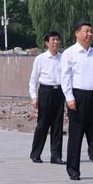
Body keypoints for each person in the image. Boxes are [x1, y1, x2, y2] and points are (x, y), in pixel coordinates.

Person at [60, 21, 93, 181]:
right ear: (77, 33)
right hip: (78, 97)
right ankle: (73, 170)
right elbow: (65, 77)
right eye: (86, 31)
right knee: (76, 136)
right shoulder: (69, 53)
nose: (89, 34)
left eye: (91, 31)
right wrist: (69, 98)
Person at [28, 31, 65, 164]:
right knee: (43, 124)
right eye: (53, 39)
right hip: (45, 92)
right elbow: (33, 80)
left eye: (57, 39)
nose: (56, 42)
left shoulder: (63, 58)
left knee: (58, 125)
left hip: (60, 92)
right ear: (47, 42)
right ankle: (36, 153)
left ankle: (56, 156)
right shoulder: (40, 58)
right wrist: (34, 97)